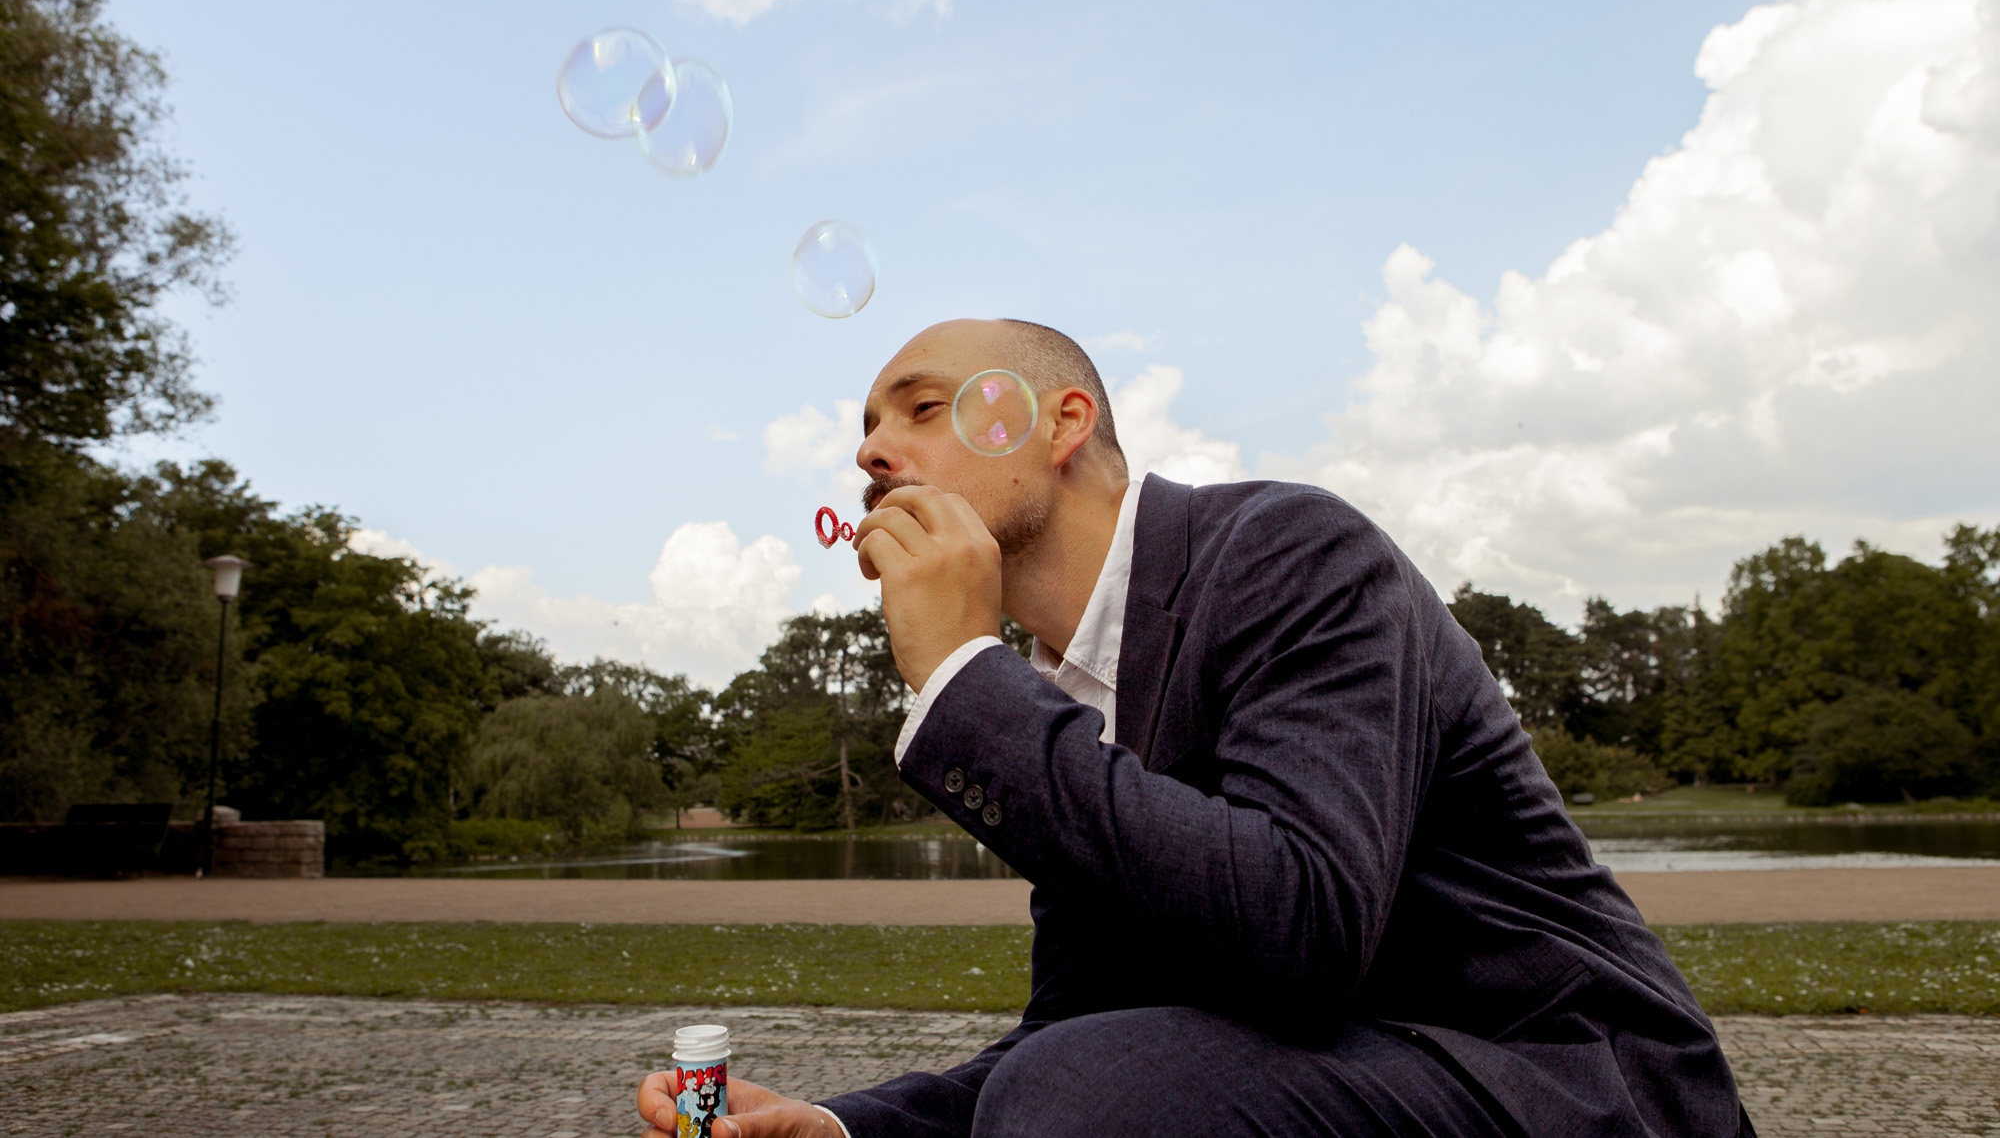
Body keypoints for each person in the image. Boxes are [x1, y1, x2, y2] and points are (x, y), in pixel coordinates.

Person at [638, 318, 1749, 1138]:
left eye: (919, 410)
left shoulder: (1290, 551)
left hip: (1568, 1085)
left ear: (1063, 420)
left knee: (1084, 1097)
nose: (873, 452)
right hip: (1346, 1082)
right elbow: (1078, 1027)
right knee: (1077, 1073)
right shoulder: (1063, 697)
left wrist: (965, 680)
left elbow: (1303, 931)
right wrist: (845, 1128)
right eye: (867, 432)